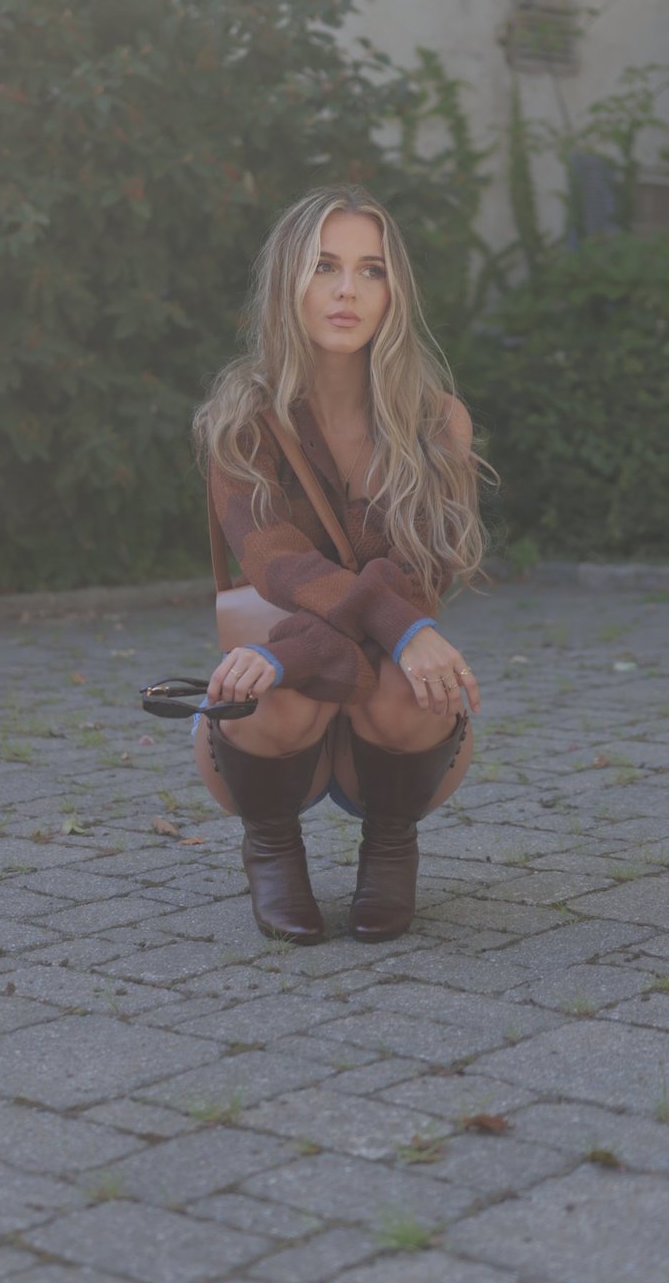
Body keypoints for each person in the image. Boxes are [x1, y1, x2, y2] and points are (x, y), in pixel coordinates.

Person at [191, 185, 494, 945]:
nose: (348, 291)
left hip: (378, 710)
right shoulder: (239, 422)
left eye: (371, 269)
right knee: (272, 690)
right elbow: (276, 564)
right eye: (325, 267)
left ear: (395, 291)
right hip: (285, 706)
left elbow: (419, 571)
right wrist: (397, 629)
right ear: (287, 283)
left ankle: (390, 845)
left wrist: (310, 647)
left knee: (416, 688)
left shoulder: (437, 422)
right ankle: (271, 846)